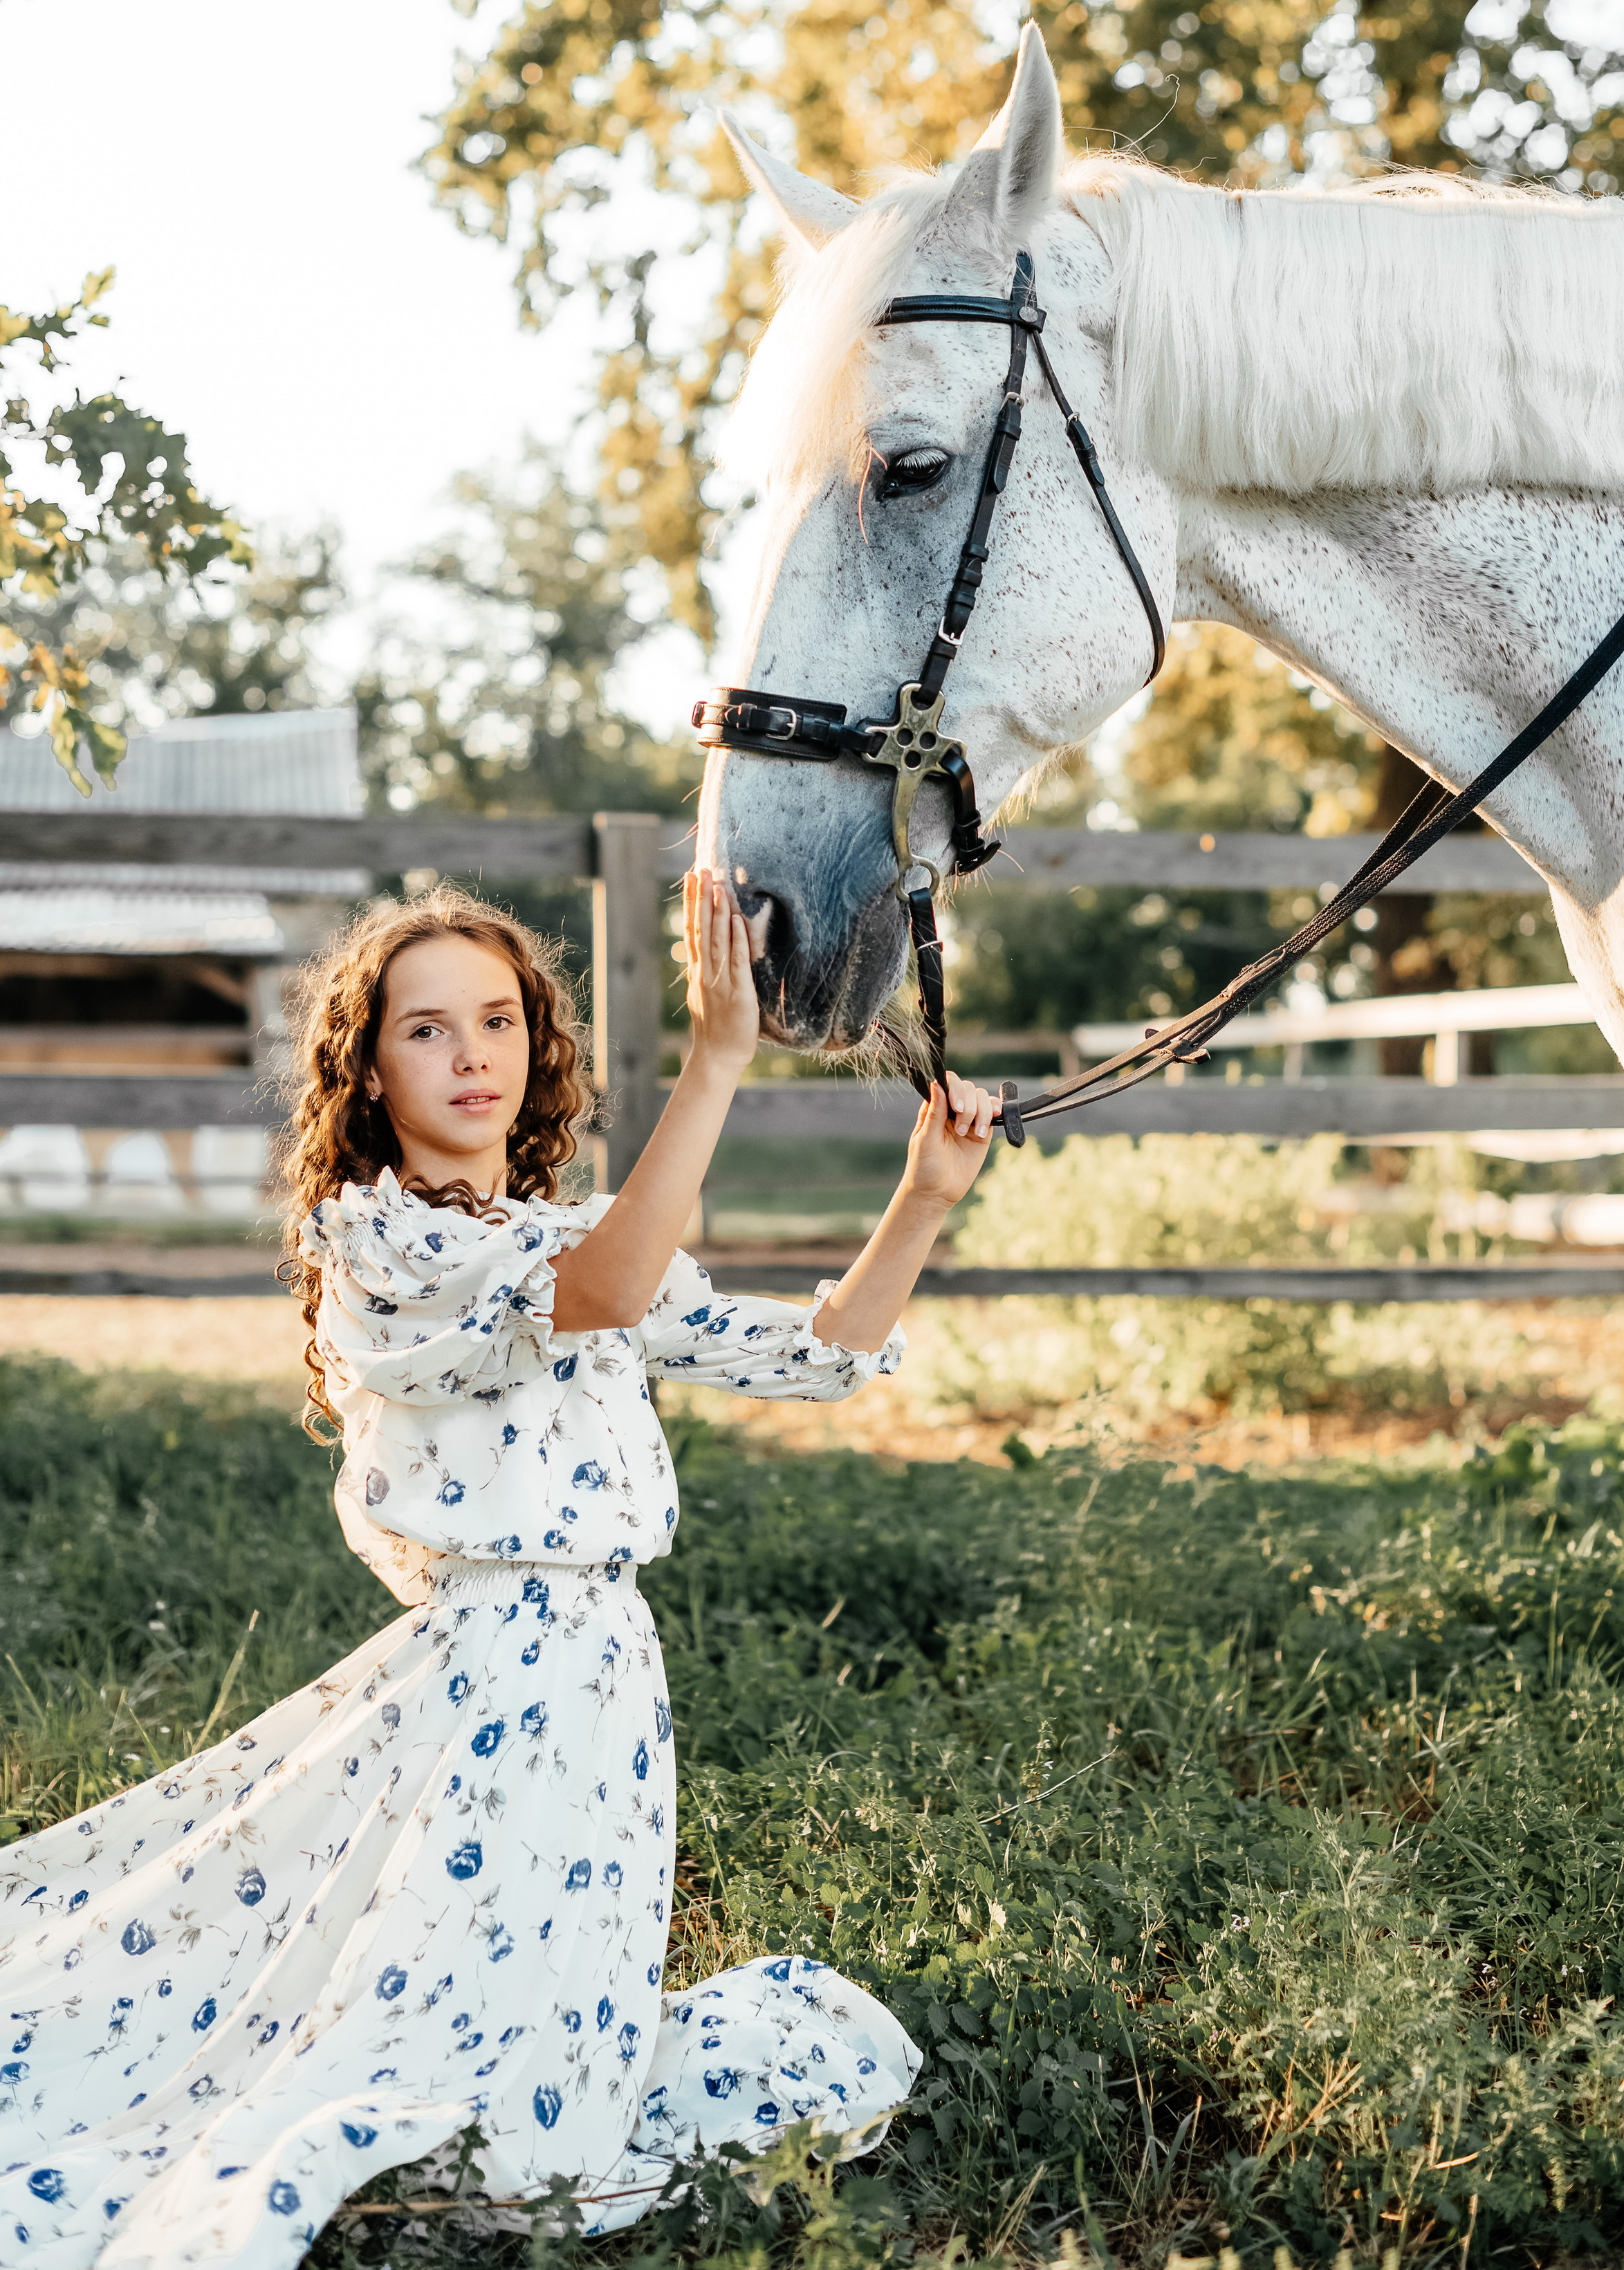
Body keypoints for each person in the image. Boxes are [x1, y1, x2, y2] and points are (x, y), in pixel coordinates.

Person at [0, 874, 999, 2264]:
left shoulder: (553, 1235)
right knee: (393, 2007)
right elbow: (595, 1296)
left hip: (605, 1670)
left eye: (495, 1021)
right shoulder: (380, 1241)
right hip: (490, 1672)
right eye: (426, 1030)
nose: (471, 1055)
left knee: (554, 2014)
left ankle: (509, 2154)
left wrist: (921, 1196)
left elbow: (819, 1353)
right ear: (364, 1071)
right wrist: (714, 1058)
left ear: (536, 1046)